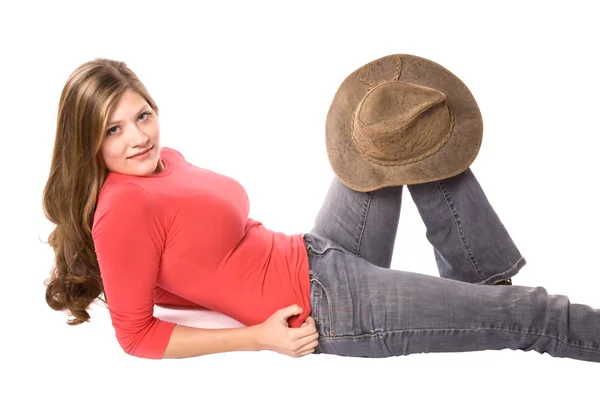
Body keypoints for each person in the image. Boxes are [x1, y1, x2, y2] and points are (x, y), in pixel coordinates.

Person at [43, 54, 600, 363]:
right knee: (537, 315)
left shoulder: (163, 160)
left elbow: (183, 259)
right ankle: (496, 304)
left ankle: (481, 288)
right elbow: (136, 336)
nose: (137, 137)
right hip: (330, 308)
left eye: (142, 116)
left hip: (318, 251)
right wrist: (258, 336)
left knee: (407, 141)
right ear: (85, 139)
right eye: (112, 130)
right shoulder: (120, 211)